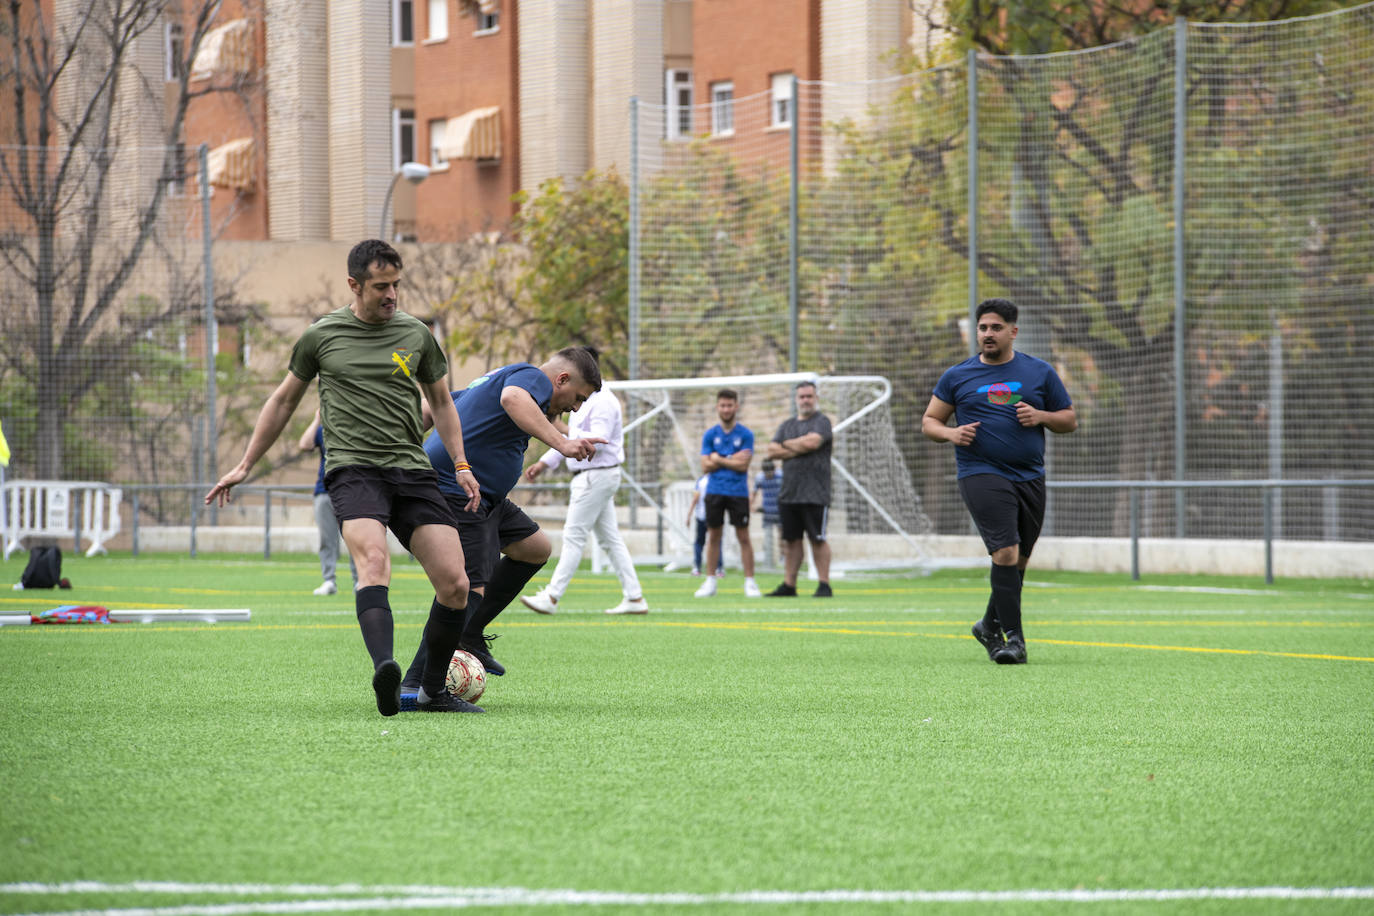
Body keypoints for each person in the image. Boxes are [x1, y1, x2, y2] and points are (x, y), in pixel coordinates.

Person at [205, 239, 484, 715]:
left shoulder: (416, 335)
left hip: (411, 470)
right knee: (373, 563)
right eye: (381, 286)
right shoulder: (322, 335)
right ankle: (386, 670)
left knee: (455, 584)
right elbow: (282, 402)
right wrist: (245, 464)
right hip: (354, 470)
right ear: (354, 285)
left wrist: (460, 464)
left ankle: (434, 692)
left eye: (397, 284)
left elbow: (441, 403)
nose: (392, 294)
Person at [399, 346, 605, 697]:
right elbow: (513, 399)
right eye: (578, 398)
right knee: (466, 588)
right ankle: (415, 684)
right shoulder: (530, 378)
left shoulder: (496, 378)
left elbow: (440, 404)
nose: (576, 408)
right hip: (461, 492)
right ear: (562, 379)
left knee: (534, 548)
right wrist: (562, 445)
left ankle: (468, 633)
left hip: (484, 496)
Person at [921, 298, 1077, 665]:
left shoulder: (1040, 372)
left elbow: (1069, 420)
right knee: (1005, 552)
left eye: (995, 328)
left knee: (1019, 562)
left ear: (1013, 332)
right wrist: (950, 435)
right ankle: (1014, 640)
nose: (988, 334)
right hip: (980, 473)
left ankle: (988, 625)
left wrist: (1040, 415)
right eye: (982, 328)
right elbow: (930, 421)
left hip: (1030, 476)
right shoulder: (957, 376)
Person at [520, 383, 649, 616]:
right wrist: (543, 463)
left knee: (574, 535)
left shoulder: (603, 402)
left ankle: (551, 596)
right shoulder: (588, 401)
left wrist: (560, 427)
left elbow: (596, 440)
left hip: (595, 475)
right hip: (593, 476)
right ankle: (635, 596)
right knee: (610, 539)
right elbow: (569, 442)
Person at [765, 381, 834, 598]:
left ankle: (824, 584)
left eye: (809, 396)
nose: (805, 400)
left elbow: (813, 443)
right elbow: (771, 450)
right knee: (791, 540)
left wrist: (786, 445)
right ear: (796, 400)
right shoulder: (786, 425)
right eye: (801, 397)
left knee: (817, 538)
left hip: (815, 493)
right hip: (789, 493)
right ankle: (789, 585)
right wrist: (798, 446)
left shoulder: (822, 422)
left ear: (816, 398)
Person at [693, 389, 762, 598]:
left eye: (729, 405)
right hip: (714, 491)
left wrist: (719, 458)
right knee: (713, 536)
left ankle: (750, 582)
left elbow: (743, 465)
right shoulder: (710, 434)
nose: (726, 409)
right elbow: (705, 466)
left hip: (738, 492)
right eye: (722, 405)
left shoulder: (746, 434)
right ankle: (710, 581)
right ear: (717, 407)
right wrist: (731, 458)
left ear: (736, 406)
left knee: (744, 536)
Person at [298, 409, 359, 596]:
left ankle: (361, 581)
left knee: (356, 539)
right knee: (327, 540)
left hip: (352, 491)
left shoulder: (355, 429)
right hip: (324, 491)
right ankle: (328, 581)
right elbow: (304, 444)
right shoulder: (323, 430)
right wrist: (317, 419)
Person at [686, 473, 723, 577]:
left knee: (700, 542)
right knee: (716, 542)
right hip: (712, 515)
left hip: (703, 516)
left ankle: (697, 568)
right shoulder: (717, 480)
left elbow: (695, 499)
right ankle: (719, 569)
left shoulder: (702, 481)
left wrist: (689, 515)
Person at [751, 459, 782, 571]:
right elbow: (754, 492)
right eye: (767, 472)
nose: (769, 474)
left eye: (770, 471)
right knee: (768, 535)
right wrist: (751, 505)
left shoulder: (780, 476)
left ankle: (782, 557)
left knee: (781, 534)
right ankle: (768, 560)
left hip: (780, 510)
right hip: (767, 510)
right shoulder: (760, 477)